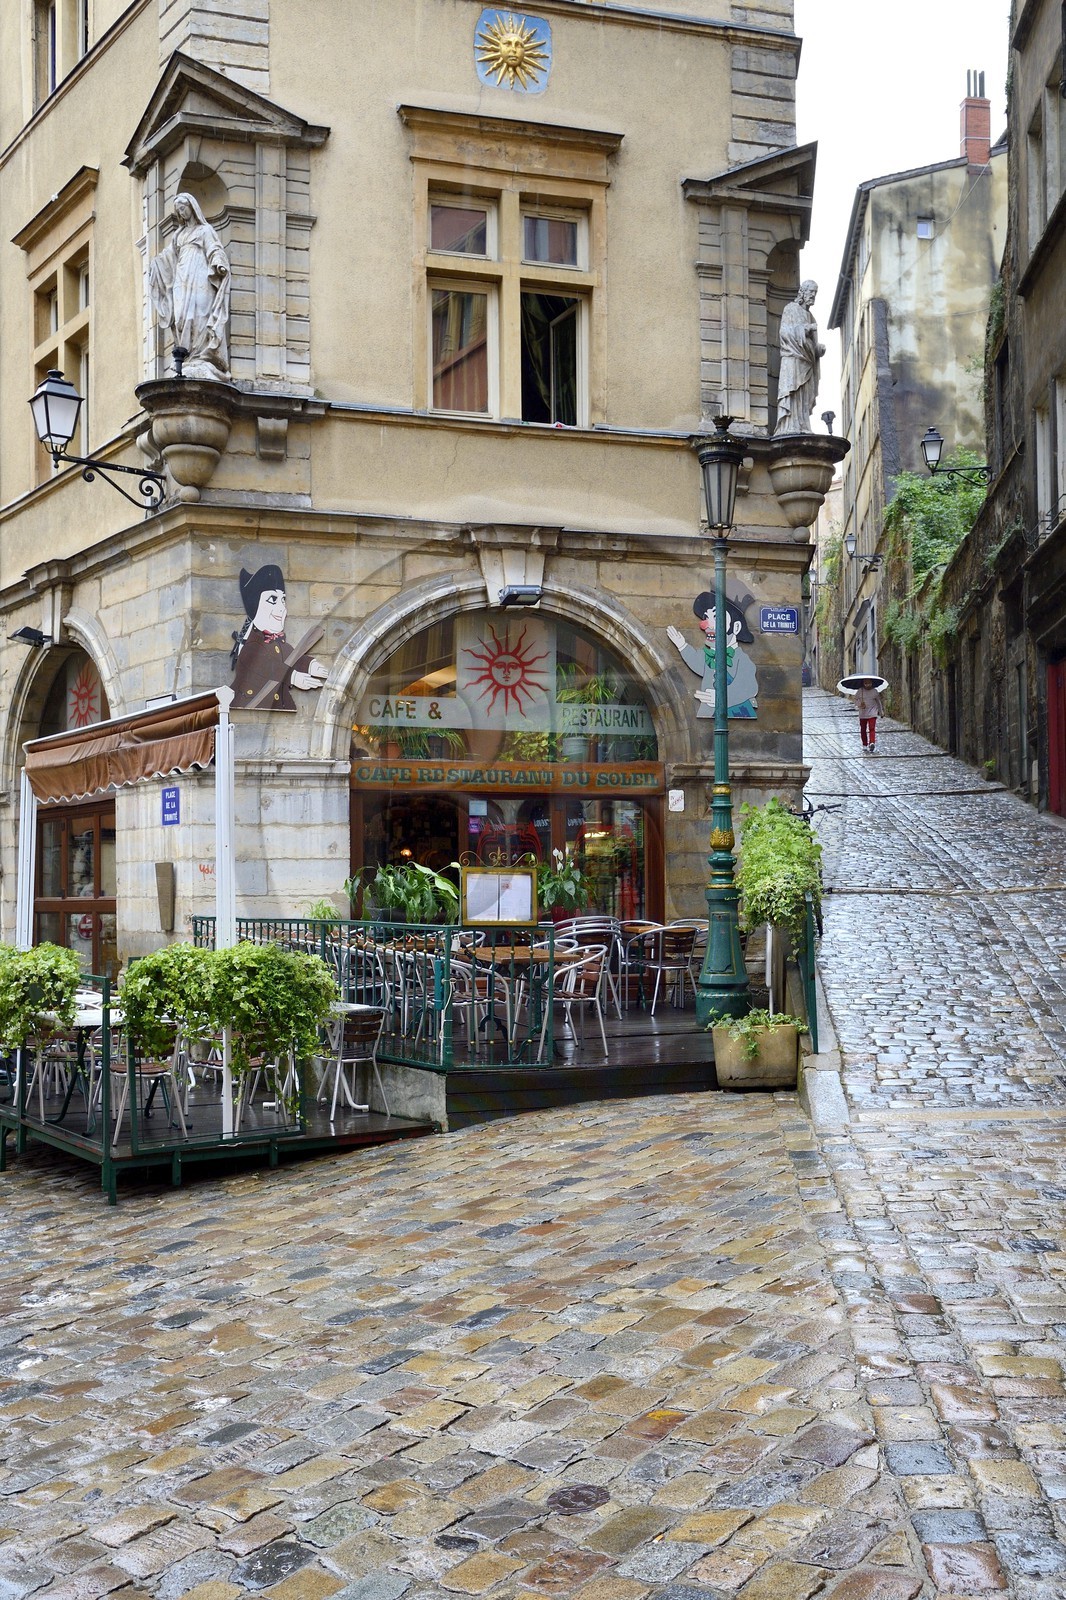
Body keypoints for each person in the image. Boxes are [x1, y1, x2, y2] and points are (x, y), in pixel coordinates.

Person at [149, 193, 232, 380]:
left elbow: (214, 249)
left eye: (183, 208)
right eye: (178, 210)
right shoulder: (179, 234)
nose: (181, 212)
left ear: (192, 207)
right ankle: (187, 358)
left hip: (200, 276)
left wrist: (219, 262)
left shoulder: (205, 230)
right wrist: (156, 264)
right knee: (181, 317)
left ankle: (202, 356)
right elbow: (169, 257)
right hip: (182, 278)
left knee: (200, 312)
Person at [230, 564, 327, 710]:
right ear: (254, 606)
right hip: (249, 703)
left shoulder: (278, 644)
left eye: (283, 600)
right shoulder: (250, 646)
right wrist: (293, 677)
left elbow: (293, 657)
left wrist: (311, 666)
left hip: (279, 705)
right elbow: (264, 666)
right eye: (272, 599)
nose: (282, 608)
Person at [667, 590, 758, 718]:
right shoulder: (709, 656)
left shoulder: (741, 659)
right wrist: (682, 645)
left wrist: (720, 698)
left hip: (735, 711)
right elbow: (698, 663)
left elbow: (749, 685)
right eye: (706, 618)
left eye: (716, 617)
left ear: (736, 627)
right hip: (709, 712)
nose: (706, 625)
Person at [775, 280, 824, 435]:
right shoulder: (790, 309)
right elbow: (784, 333)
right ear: (802, 292)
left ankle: (803, 425)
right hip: (793, 360)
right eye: (811, 292)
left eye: (815, 293)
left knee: (804, 396)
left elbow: (811, 346)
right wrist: (805, 329)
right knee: (793, 392)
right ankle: (789, 426)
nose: (813, 296)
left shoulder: (811, 317)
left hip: (807, 363)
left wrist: (818, 350)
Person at [855, 677, 884, 753]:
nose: (867, 685)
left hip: (872, 713)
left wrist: (881, 712)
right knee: (863, 729)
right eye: (866, 683)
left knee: (872, 728)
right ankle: (864, 744)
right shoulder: (860, 691)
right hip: (863, 713)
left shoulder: (875, 691)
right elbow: (855, 700)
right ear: (863, 683)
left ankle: (872, 742)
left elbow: (878, 702)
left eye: (869, 683)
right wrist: (860, 704)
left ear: (872, 683)